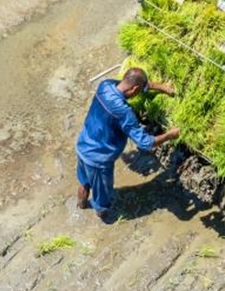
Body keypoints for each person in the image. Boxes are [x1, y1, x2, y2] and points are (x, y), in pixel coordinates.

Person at [75, 67, 180, 219]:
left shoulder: (105, 85)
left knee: (84, 182)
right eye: (139, 90)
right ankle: (102, 218)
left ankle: (82, 205)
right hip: (98, 161)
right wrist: (170, 135)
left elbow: (133, 84)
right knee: (103, 203)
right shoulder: (124, 113)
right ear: (135, 89)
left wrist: (162, 87)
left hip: (83, 145)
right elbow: (146, 143)